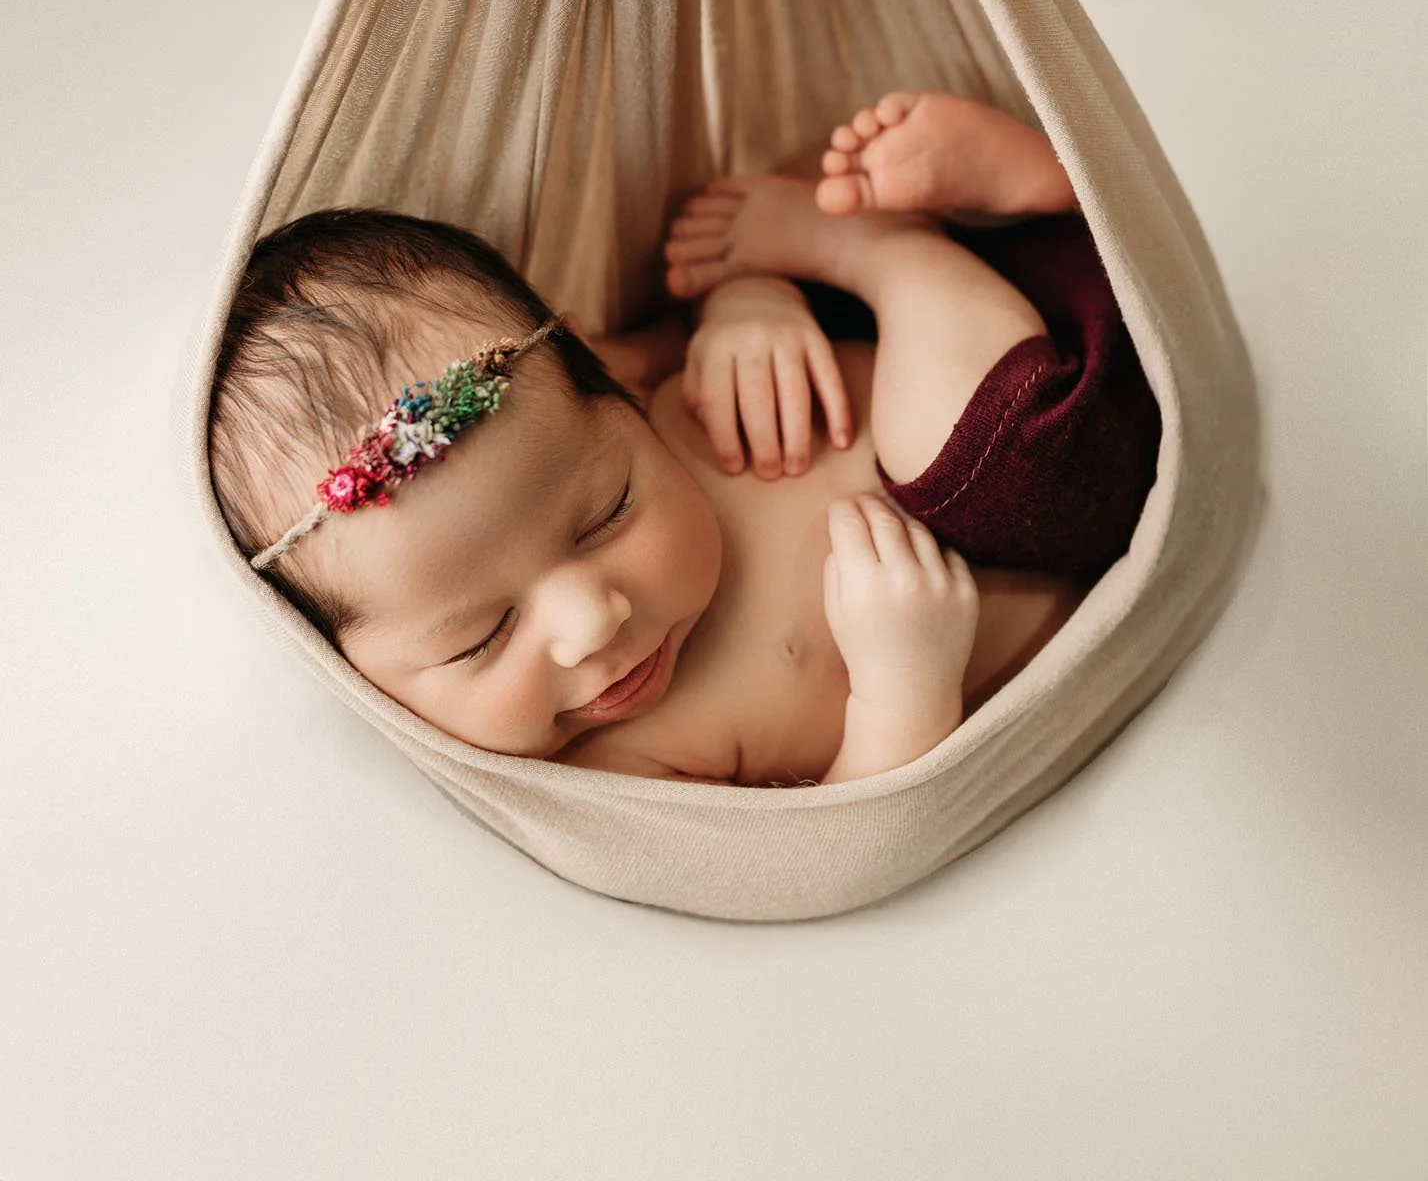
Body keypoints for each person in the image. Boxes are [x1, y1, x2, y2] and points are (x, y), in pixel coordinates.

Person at [209, 92, 1160, 788]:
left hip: (1080, 398)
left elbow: (692, 293)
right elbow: (830, 853)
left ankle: (929, 225)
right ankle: (919, 236)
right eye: (480, 638)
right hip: (1074, 521)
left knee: (774, 251)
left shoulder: (615, 388)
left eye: (605, 514)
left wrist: (750, 305)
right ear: (344, 668)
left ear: (600, 369)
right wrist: (904, 685)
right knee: (985, 457)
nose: (593, 622)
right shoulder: (632, 762)